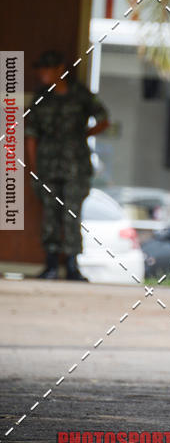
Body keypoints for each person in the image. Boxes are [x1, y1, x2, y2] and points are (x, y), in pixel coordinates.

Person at [24, 50, 109, 281]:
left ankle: (72, 266)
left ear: (59, 69)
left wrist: (83, 134)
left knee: (72, 214)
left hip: (75, 167)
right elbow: (30, 133)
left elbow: (104, 119)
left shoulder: (80, 95)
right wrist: (33, 167)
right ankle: (51, 265)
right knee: (50, 215)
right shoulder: (41, 97)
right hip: (48, 166)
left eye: (47, 68)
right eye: (41, 69)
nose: (42, 73)